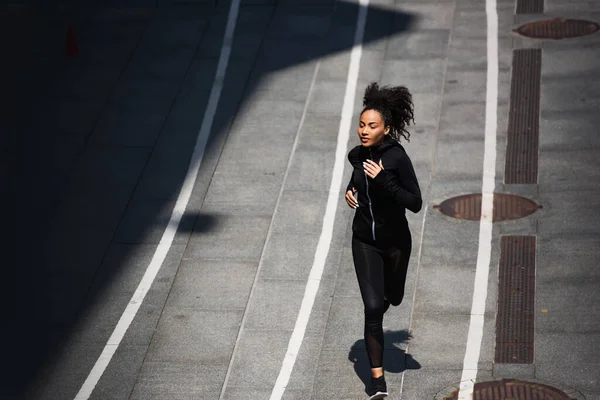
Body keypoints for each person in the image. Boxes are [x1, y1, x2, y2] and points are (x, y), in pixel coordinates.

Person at [344, 82, 422, 399]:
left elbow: (415, 202)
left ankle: (385, 300)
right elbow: (357, 176)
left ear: (386, 129)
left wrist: (384, 181)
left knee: (395, 297)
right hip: (364, 240)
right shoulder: (358, 156)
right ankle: (377, 382)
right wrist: (350, 192)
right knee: (373, 309)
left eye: (371, 125)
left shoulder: (397, 159)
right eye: (362, 124)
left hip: (395, 244)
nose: (364, 130)